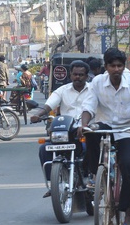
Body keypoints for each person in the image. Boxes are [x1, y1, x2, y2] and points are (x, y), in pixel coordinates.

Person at [79, 47, 130, 225]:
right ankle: (96, 175)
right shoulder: (97, 82)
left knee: (127, 166)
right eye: (112, 66)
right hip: (106, 127)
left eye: (120, 66)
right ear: (106, 67)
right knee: (90, 132)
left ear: (124, 66)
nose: (116, 69)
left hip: (129, 130)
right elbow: (88, 105)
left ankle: (128, 214)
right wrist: (84, 123)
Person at [30, 60, 92, 198]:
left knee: (91, 148)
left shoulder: (93, 91)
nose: (78, 77)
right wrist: (38, 115)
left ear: (87, 76)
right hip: (65, 131)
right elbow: (49, 105)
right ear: (70, 75)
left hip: (86, 130)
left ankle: (90, 178)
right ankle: (53, 183)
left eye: (81, 75)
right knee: (44, 149)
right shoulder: (62, 91)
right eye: (75, 74)